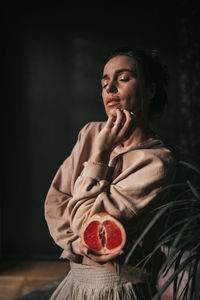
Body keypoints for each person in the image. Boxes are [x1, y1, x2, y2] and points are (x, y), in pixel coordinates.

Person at [44, 48, 176, 299]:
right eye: (105, 82)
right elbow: (55, 202)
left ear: (150, 90)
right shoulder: (90, 133)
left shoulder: (157, 162)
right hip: (75, 281)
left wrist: (100, 155)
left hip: (119, 287)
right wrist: (81, 245)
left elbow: (87, 221)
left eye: (123, 79)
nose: (110, 88)